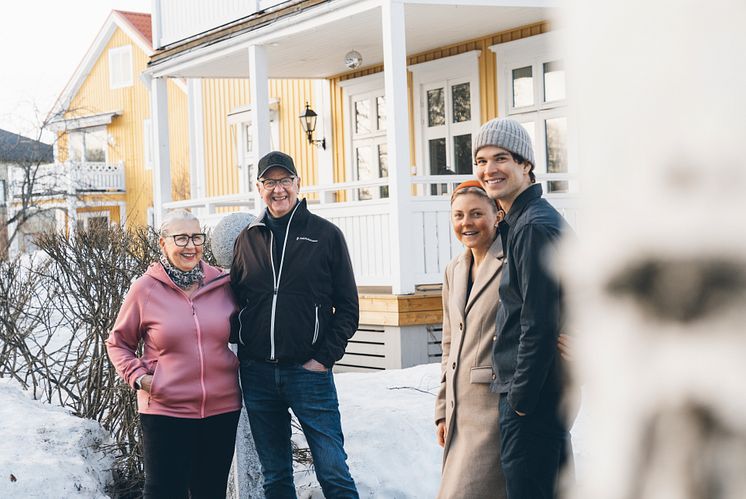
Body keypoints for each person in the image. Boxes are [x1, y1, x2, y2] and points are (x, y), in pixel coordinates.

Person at [231, 150, 359, 499]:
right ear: (259, 188)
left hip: (309, 373)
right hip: (257, 374)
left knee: (333, 472)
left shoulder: (325, 235)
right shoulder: (248, 239)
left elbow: (348, 307)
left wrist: (323, 359)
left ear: (298, 184)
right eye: (270, 182)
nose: (278, 189)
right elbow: (238, 301)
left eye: (284, 180)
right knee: (275, 478)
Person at [473, 117, 576, 499]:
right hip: (543, 394)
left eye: (500, 158)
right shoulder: (523, 222)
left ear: (525, 165)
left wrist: (520, 400)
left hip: (533, 399)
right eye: (481, 161)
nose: (488, 169)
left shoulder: (533, 226)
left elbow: (538, 321)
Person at [106, 210, 241, 499]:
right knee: (164, 492)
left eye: (196, 237)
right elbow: (118, 343)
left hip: (222, 409)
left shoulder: (222, 284)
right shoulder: (145, 289)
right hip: (167, 410)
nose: (190, 246)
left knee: (211, 492)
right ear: (163, 243)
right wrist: (140, 379)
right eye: (180, 238)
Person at [435, 180, 507, 499]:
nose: (466, 223)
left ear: (497, 215)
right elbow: (450, 345)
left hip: (493, 409)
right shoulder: (455, 269)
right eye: (458, 215)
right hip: (458, 412)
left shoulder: (514, 263)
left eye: (476, 213)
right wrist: (442, 409)